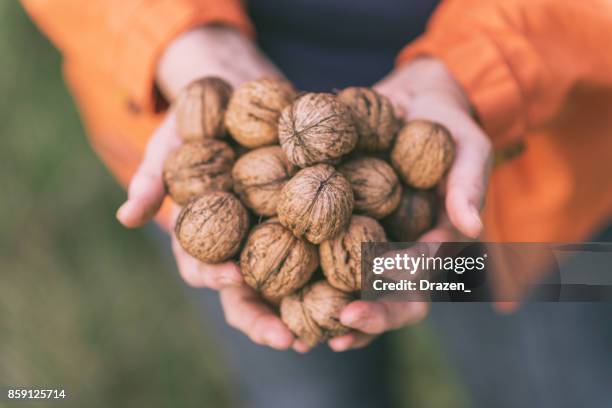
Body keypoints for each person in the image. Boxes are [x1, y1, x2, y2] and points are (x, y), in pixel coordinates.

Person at [22, 0, 612, 406]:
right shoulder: (245, 190)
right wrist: (181, 42)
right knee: (304, 388)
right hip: (204, 123)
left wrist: (483, 62)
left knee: (571, 383)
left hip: (546, 182)